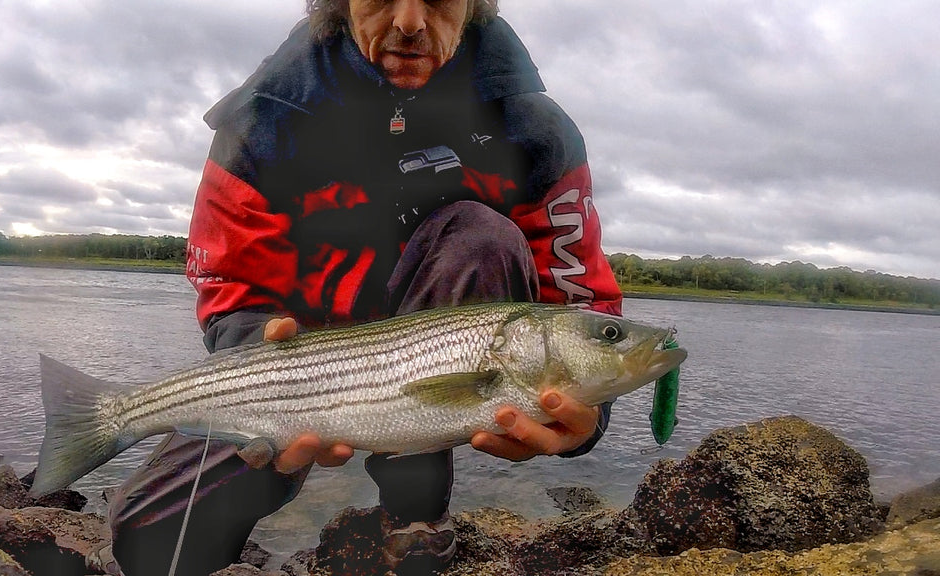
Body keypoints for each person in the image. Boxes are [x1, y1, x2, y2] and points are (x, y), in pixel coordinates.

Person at [106, 1, 623, 574]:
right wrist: (265, 349)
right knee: (146, 538)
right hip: (300, 369)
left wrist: (582, 419)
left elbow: (577, 301)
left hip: (436, 356)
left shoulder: (535, 131)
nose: (408, 21)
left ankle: (415, 513)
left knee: (483, 238)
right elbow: (231, 286)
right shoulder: (262, 121)